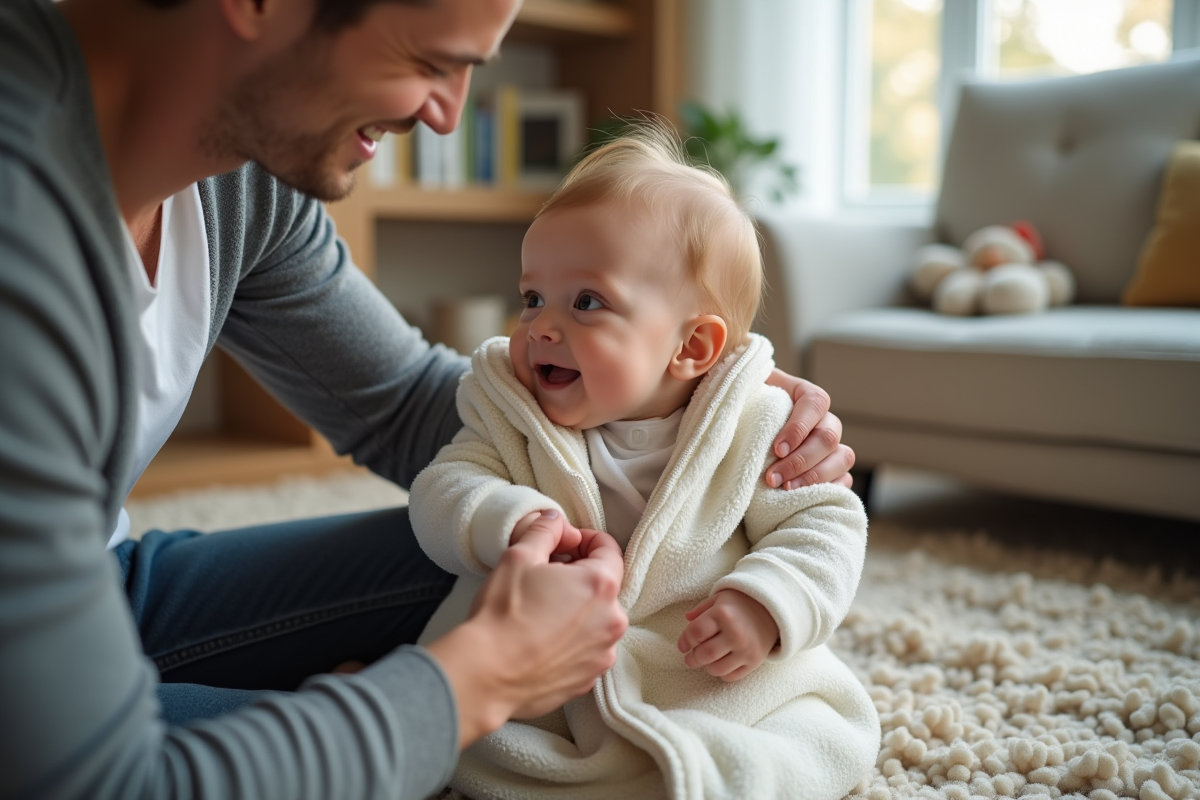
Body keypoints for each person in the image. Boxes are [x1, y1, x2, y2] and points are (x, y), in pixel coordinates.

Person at [0, 0, 856, 797]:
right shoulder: (21, 208)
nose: (448, 114)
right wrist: (469, 684)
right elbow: (100, 780)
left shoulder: (239, 185)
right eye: (432, 60)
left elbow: (408, 407)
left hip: (106, 586)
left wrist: (687, 407)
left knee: (528, 537)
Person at [408, 125, 880, 800]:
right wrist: (510, 520)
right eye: (532, 297)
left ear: (691, 347)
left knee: (811, 732)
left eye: (587, 302)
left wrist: (766, 605)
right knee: (470, 735)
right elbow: (442, 488)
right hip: (553, 676)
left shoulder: (756, 427)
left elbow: (827, 523)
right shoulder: (511, 412)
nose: (541, 326)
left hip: (703, 667)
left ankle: (720, 766)